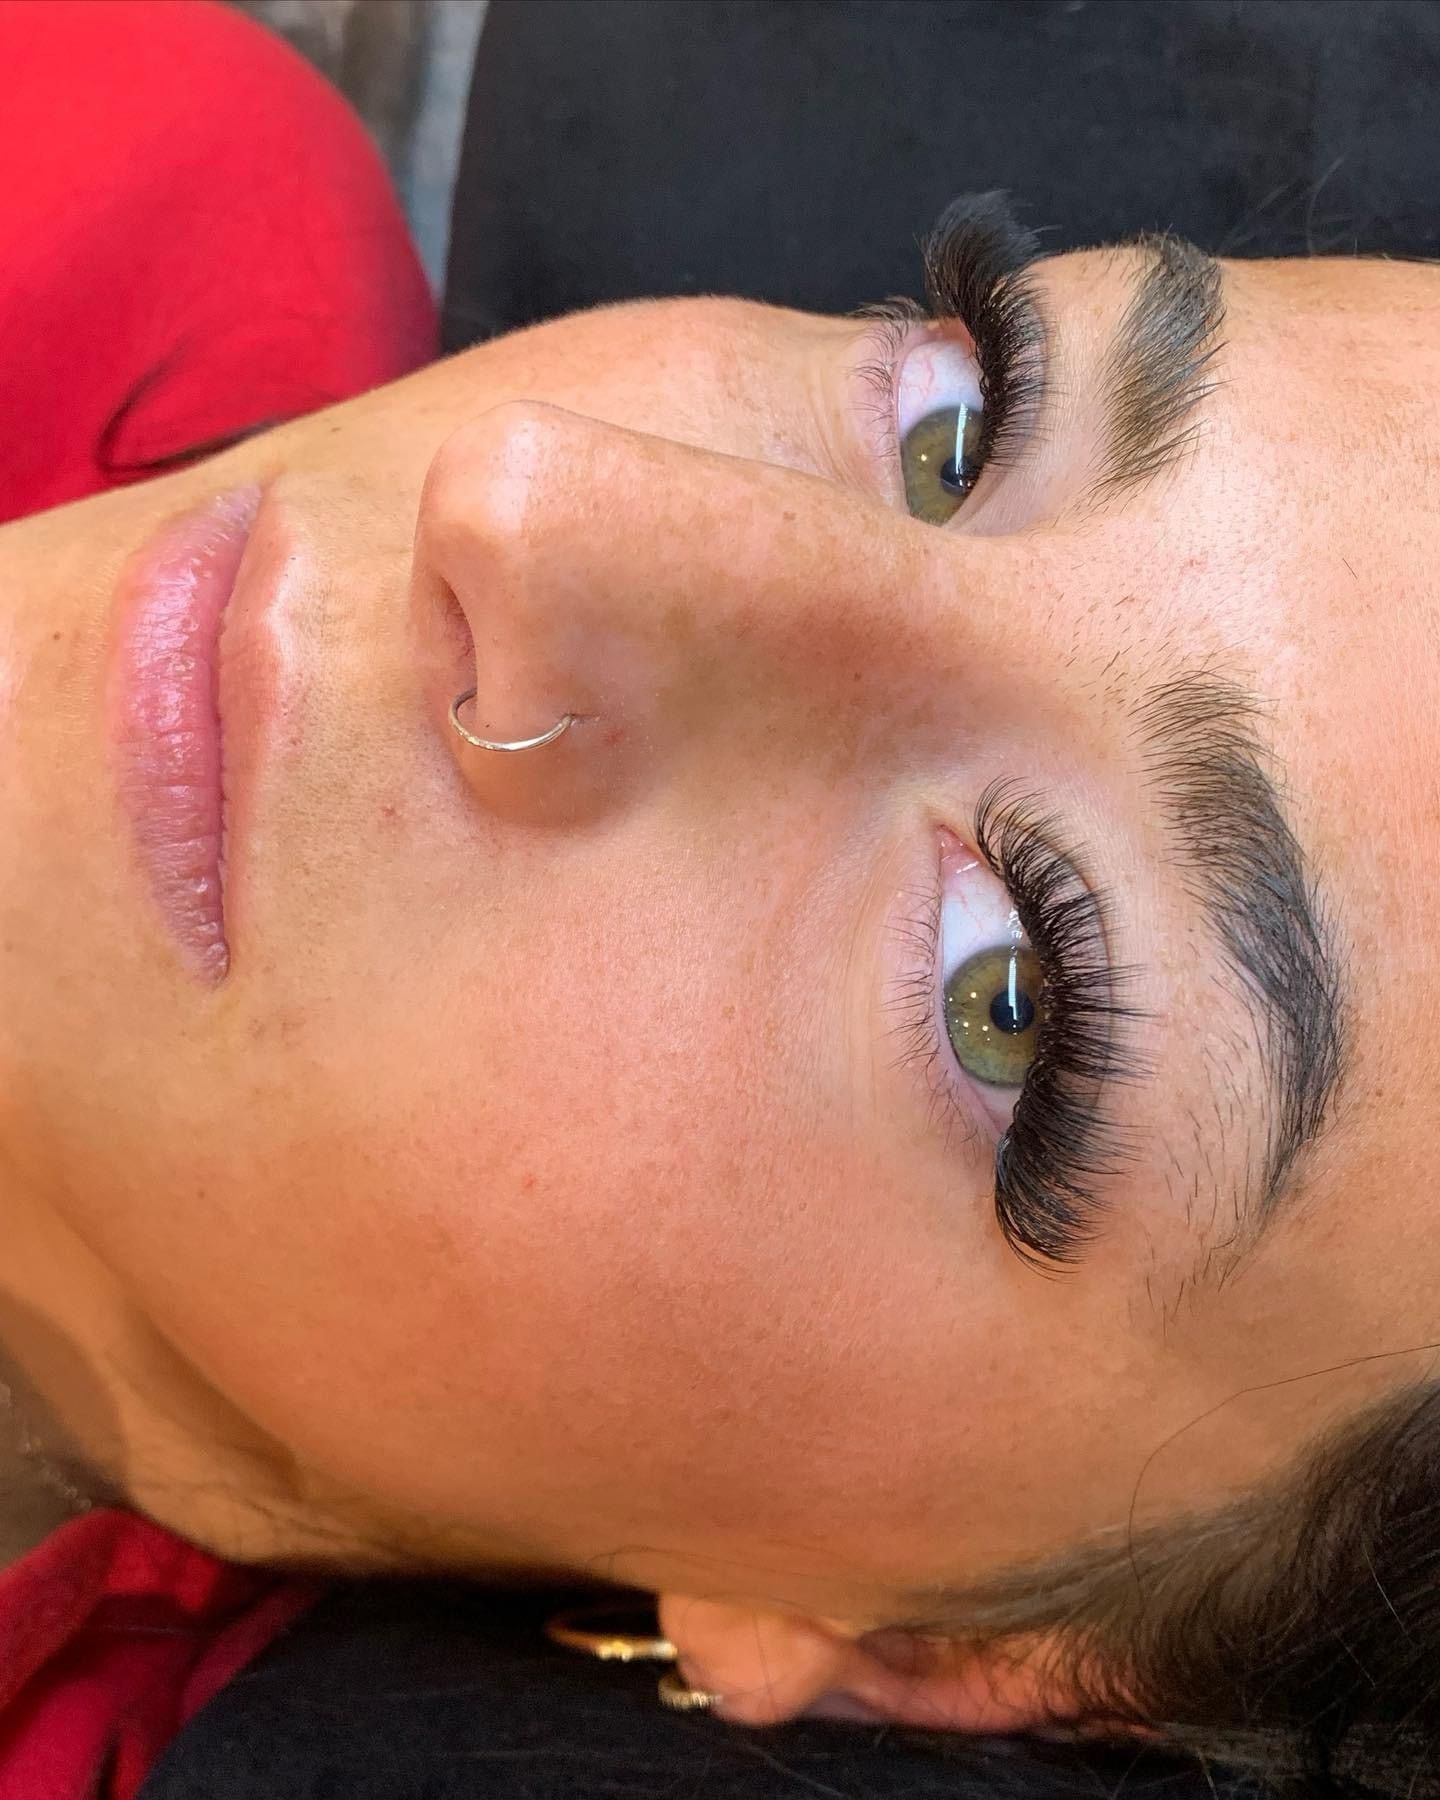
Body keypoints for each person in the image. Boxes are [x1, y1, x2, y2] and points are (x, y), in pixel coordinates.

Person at [7, 3, 1440, 1798]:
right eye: (962, 426)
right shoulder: (132, 176)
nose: (529, 500)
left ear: (920, 1644)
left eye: (1008, 995)